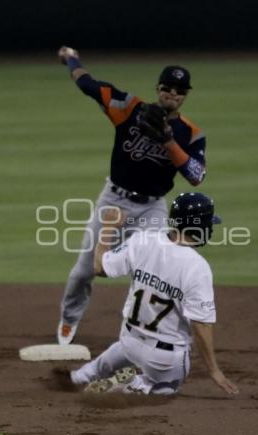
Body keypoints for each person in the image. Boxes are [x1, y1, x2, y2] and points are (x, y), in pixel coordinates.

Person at [57, 46, 207, 344]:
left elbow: (196, 176)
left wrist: (167, 142)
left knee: (153, 272)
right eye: (168, 88)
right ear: (158, 89)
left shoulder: (190, 133)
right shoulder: (129, 108)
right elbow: (89, 85)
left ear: (185, 95)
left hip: (152, 209)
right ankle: (68, 319)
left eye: (180, 90)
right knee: (83, 272)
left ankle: (141, 332)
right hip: (113, 200)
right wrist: (71, 58)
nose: (173, 94)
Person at [54, 193, 239, 396]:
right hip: (164, 359)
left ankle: (79, 377)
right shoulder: (198, 267)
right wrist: (214, 370)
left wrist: (108, 227)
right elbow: (201, 325)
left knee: (116, 354)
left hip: (129, 341)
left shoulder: (143, 240)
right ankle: (135, 384)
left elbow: (99, 267)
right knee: (169, 386)